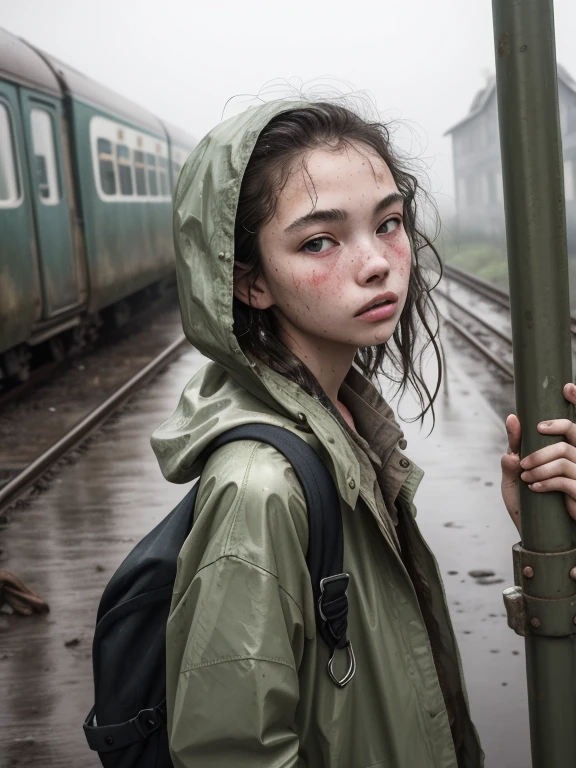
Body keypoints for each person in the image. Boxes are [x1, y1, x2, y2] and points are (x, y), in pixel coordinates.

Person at [151, 99, 576, 768]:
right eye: (320, 240)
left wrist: (553, 537)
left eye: (389, 223)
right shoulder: (261, 486)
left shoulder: (345, 426)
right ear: (250, 281)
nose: (377, 262)